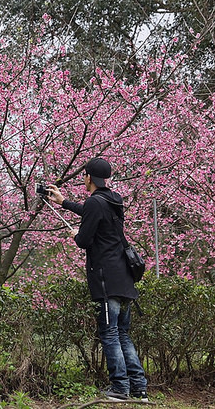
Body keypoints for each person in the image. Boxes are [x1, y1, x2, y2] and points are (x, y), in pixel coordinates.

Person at [46, 157, 148, 402]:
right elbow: (93, 213)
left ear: (89, 177)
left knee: (110, 334)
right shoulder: (114, 200)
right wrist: (64, 202)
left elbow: (83, 240)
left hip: (106, 280)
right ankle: (139, 389)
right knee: (122, 334)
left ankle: (120, 388)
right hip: (124, 278)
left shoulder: (95, 202)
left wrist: (75, 234)